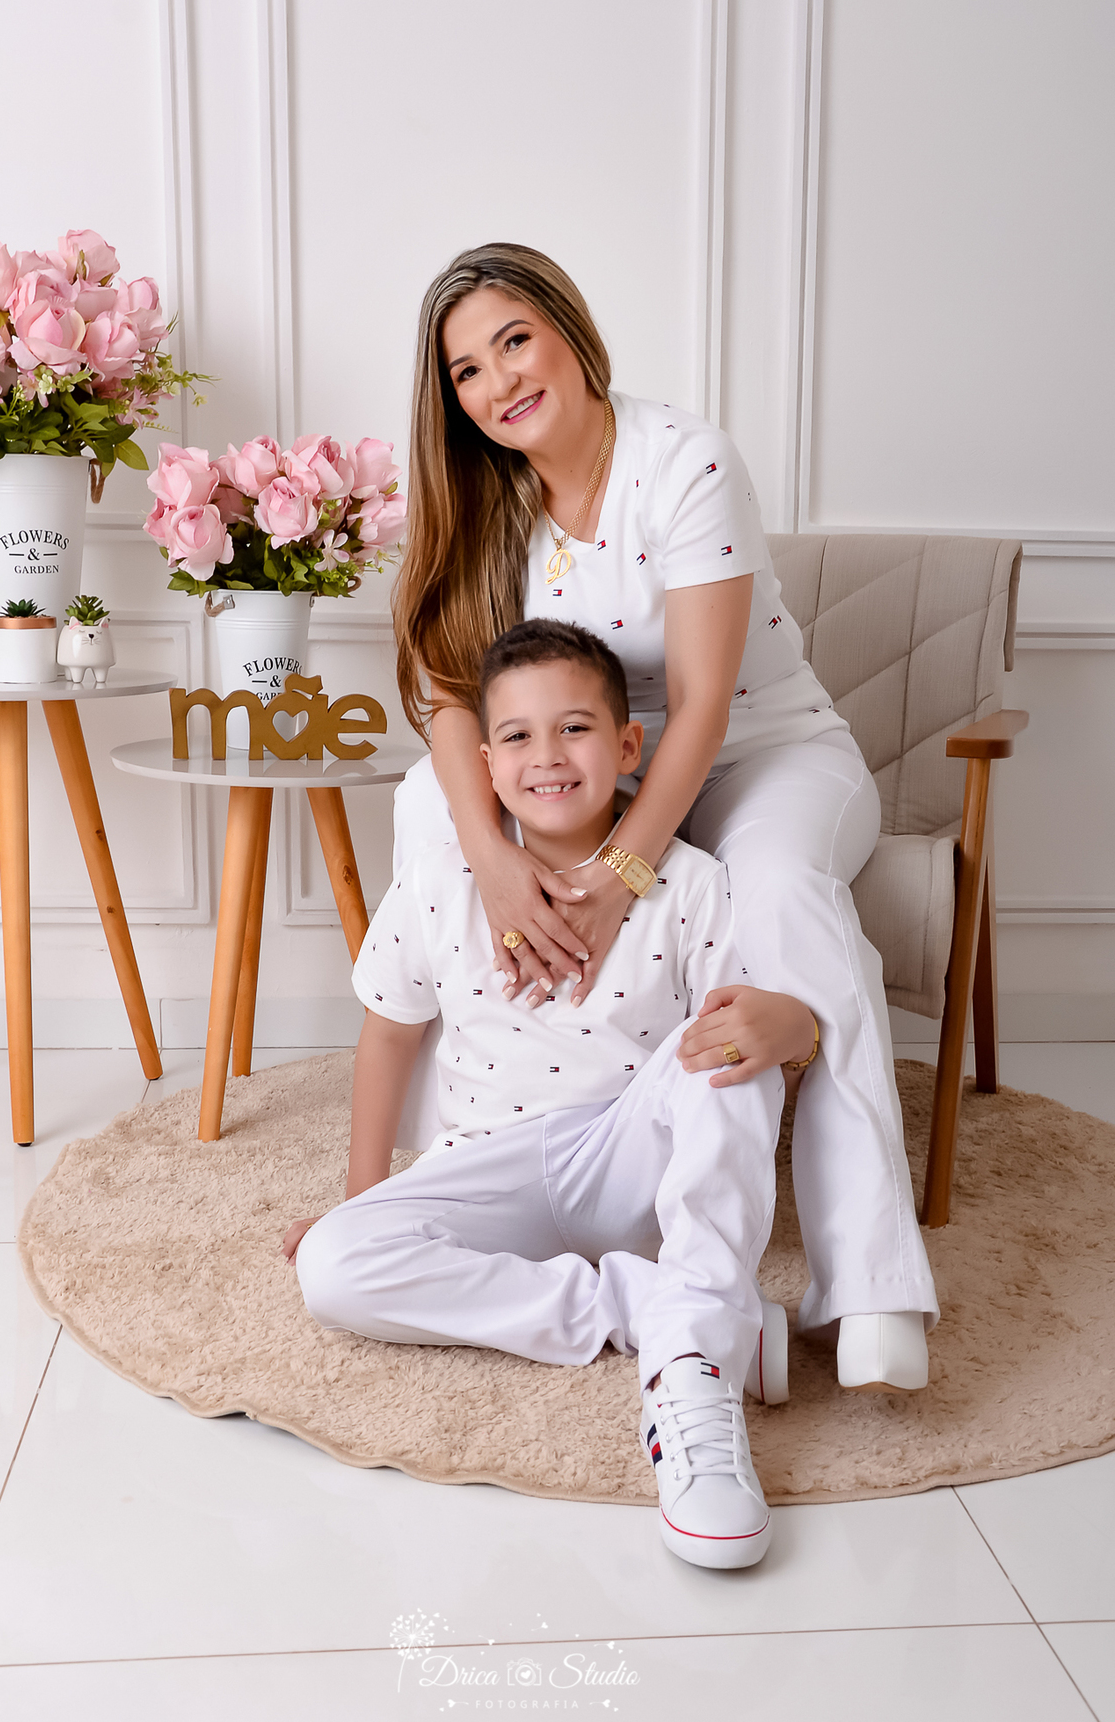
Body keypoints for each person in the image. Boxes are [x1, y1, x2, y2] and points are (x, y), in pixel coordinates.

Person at [387, 243, 937, 1390]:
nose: (498, 382)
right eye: (466, 371)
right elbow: (446, 693)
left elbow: (695, 708)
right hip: (588, 768)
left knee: (782, 892)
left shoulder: (684, 461)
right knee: (426, 813)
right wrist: (491, 857)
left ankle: (872, 1286)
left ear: (571, 335)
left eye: (514, 341)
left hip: (761, 752)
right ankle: (476, 1145)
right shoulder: (488, 500)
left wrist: (622, 881)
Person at [285, 621, 820, 1569]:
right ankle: (662, 1310)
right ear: (485, 766)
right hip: (486, 1167)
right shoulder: (442, 885)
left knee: (722, 1047)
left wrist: (792, 1027)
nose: (547, 758)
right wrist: (362, 1191)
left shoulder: (691, 887)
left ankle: (692, 1379)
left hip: (628, 1152)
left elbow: (760, 1030)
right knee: (333, 1267)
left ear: (626, 747)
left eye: (574, 730)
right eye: (520, 739)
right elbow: (389, 1032)